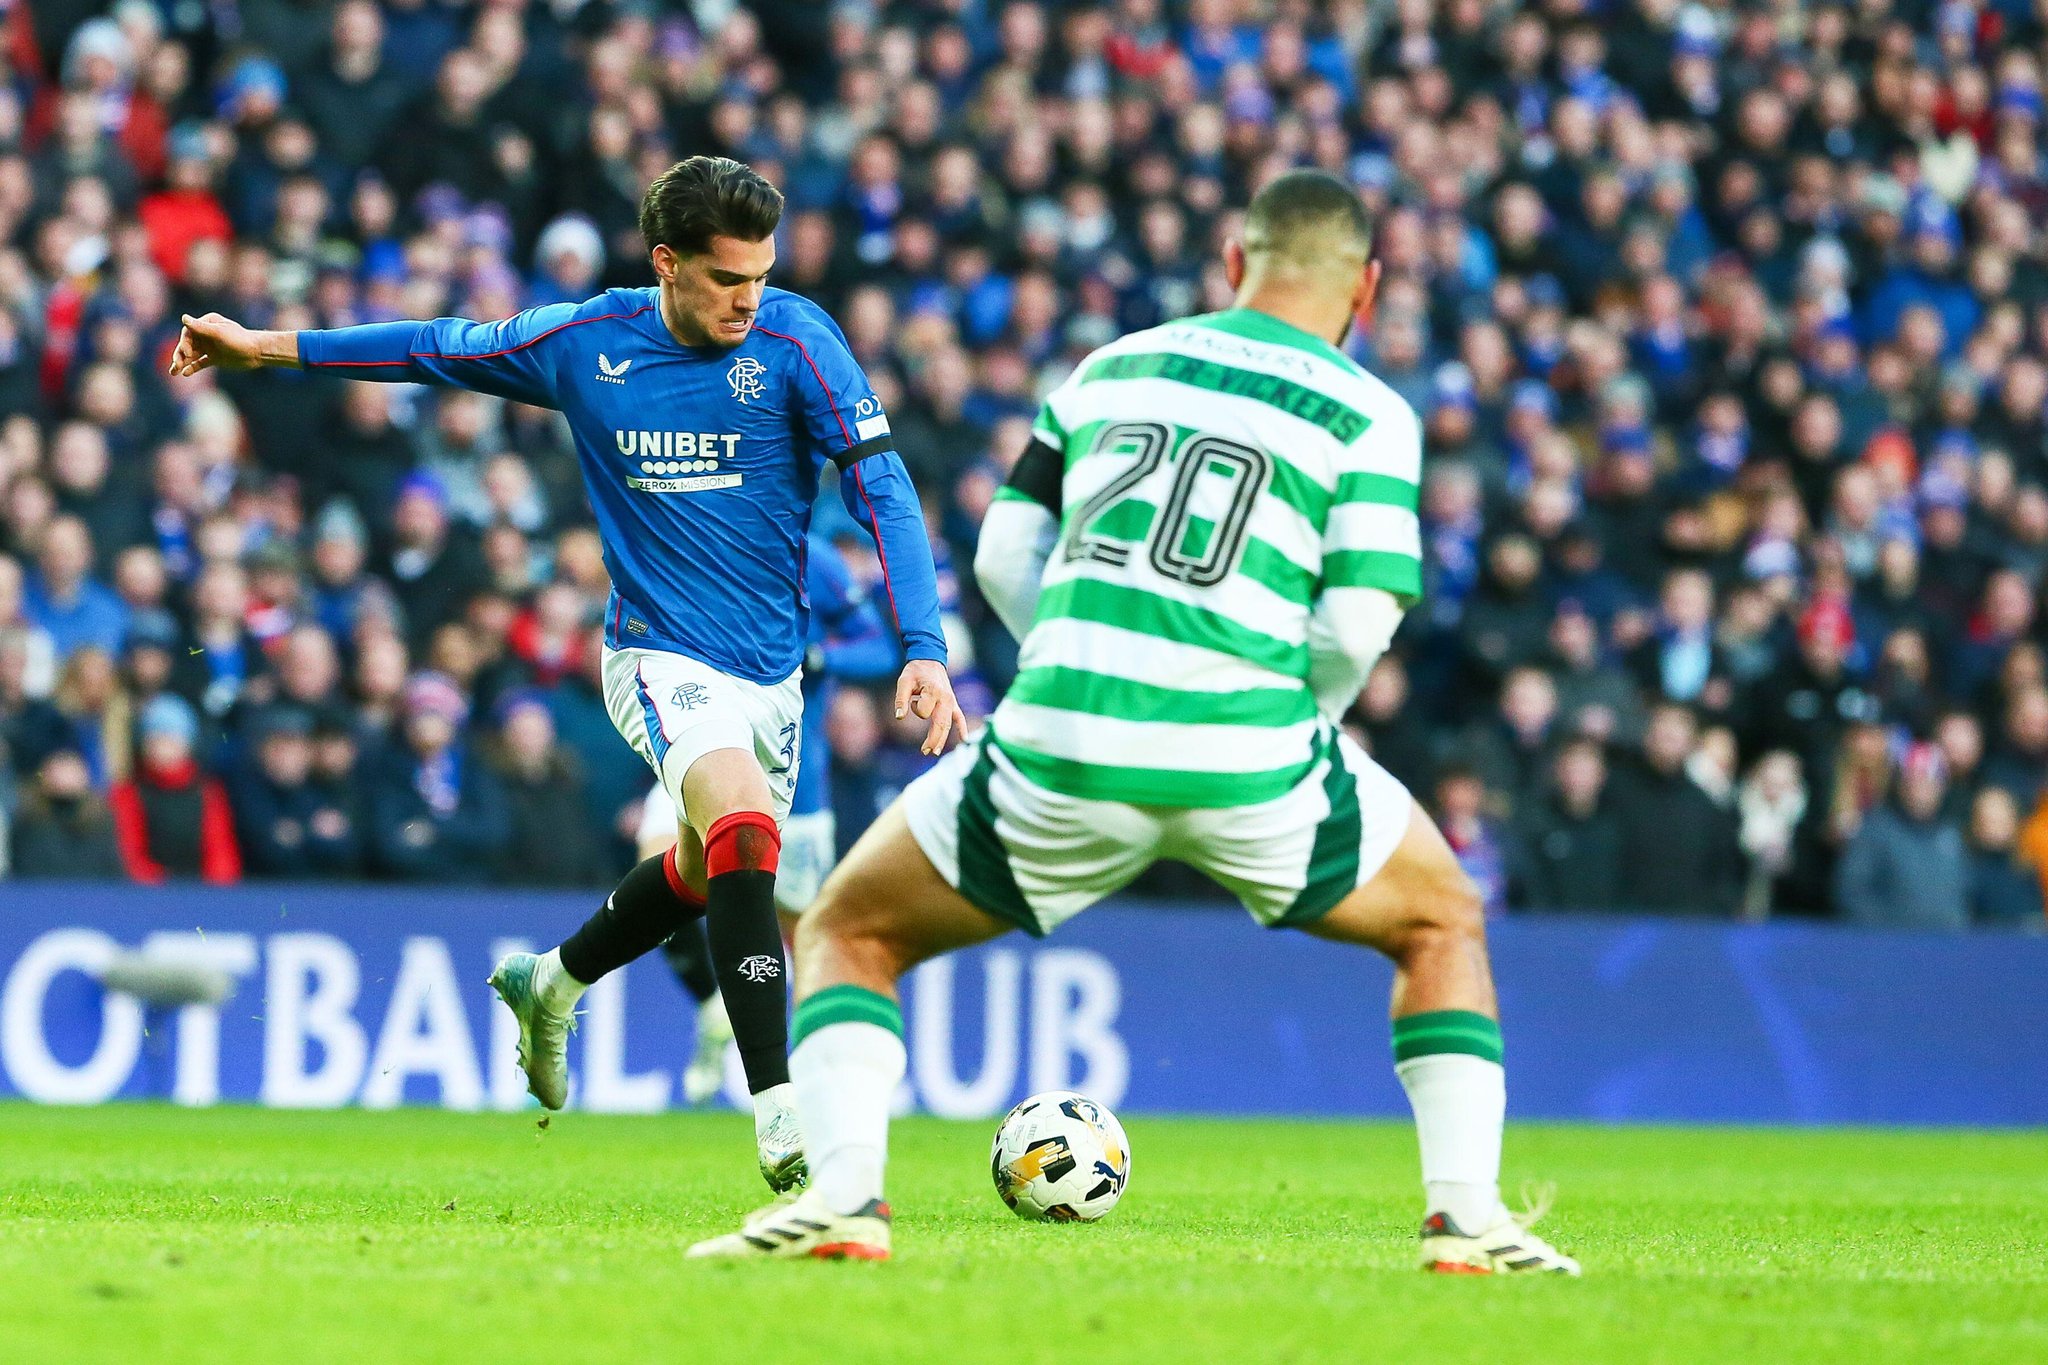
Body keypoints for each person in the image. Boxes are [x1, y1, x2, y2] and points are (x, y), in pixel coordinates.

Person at [689, 171, 1578, 1272]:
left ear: (1231, 261)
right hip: (1253, 751)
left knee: (846, 932)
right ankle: (1464, 1223)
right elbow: (1354, 621)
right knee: (1439, 922)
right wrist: (1294, 720)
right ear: (1368, 286)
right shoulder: (1370, 413)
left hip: (1060, 736)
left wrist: (1071, 661)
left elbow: (1007, 555)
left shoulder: (1110, 367)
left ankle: (845, 1201)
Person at [168, 155, 962, 1192]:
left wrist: (925, 649)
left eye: (762, 275)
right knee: (743, 832)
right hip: (656, 652)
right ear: (666, 262)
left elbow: (886, 491)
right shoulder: (587, 344)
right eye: (727, 278)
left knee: (698, 871)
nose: (748, 299)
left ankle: (552, 980)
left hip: (772, 670)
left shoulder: (799, 341)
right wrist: (266, 349)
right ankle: (780, 1113)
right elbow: (429, 347)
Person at [644, 532, 899, 1105]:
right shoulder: (693, 524)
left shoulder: (815, 556)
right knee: (658, 868)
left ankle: (817, 1076)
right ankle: (712, 1002)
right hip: (697, 743)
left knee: (805, 933)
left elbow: (880, 648)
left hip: (792, 776)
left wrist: (821, 657)